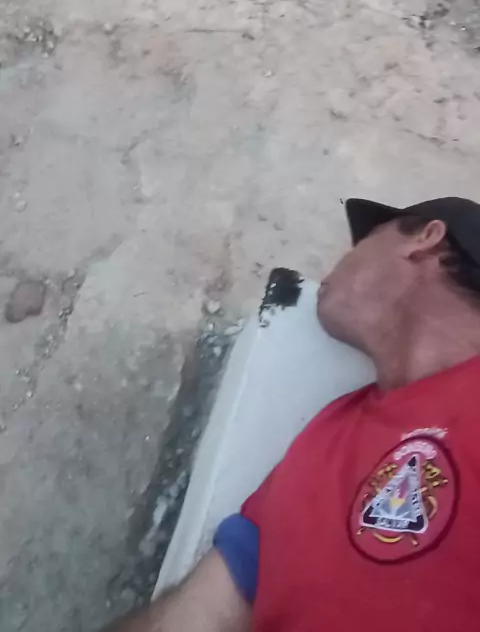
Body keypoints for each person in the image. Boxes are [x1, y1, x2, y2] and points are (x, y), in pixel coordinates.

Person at [105, 196, 480, 632]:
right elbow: (197, 612)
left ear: (424, 240)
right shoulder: (326, 434)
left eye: (365, 238)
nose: (338, 262)